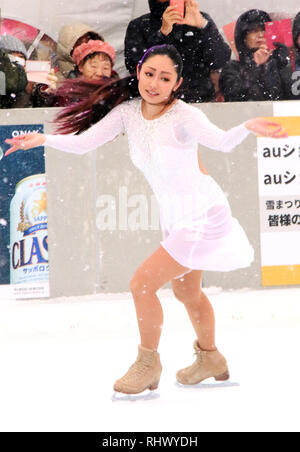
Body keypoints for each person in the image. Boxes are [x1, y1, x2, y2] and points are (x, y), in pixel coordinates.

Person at [5, 45, 288, 395]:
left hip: (202, 216)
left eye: (165, 77)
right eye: (150, 73)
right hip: (177, 218)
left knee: (142, 284)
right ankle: (211, 357)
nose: (155, 83)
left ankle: (148, 362)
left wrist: (247, 125)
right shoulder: (127, 112)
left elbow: (222, 142)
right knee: (187, 290)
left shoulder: (184, 116)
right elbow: (84, 143)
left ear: (177, 83)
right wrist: (42, 139)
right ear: (138, 71)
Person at [125, 0, 231, 103]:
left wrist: (204, 26)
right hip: (155, 102)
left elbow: (219, 60)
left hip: (198, 101)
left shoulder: (199, 19)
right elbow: (134, 66)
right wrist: (162, 33)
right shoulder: (139, 25)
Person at [219, 9, 293, 102]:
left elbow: (294, 96)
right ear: (243, 38)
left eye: (264, 30)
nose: (260, 35)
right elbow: (233, 95)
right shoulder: (232, 67)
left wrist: (285, 65)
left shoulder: (279, 63)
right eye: (254, 30)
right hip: (247, 116)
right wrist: (254, 65)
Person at [41, 39, 119, 108]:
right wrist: (48, 94)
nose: (99, 73)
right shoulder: (68, 93)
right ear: (81, 67)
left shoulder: (117, 92)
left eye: (106, 68)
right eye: (93, 66)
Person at [0, 34, 57, 108]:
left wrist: (46, 93)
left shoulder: (30, 89)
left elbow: (39, 110)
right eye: (12, 55)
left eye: (20, 57)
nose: (17, 60)